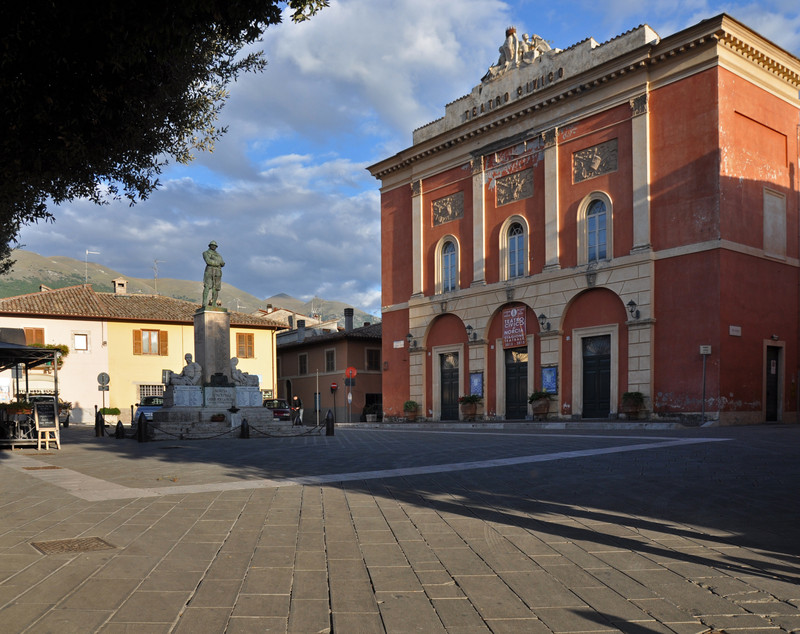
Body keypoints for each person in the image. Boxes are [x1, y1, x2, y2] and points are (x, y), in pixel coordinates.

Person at [201, 240, 225, 307]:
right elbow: (208, 261)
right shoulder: (205, 253)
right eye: (212, 245)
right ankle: (204, 302)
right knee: (207, 286)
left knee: (216, 288)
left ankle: (214, 303)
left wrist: (220, 263)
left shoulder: (218, 255)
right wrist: (217, 263)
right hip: (209, 270)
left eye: (215, 246)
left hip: (218, 271)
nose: (214, 247)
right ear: (210, 246)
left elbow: (222, 263)